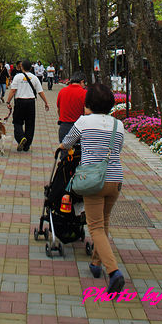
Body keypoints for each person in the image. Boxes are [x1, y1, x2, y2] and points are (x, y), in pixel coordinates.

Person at [58, 82, 126, 295]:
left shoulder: (84, 122)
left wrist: (61, 147)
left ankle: (114, 271)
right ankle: (96, 264)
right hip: (115, 180)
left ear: (88, 104)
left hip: (93, 180)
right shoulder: (118, 125)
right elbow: (118, 149)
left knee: (95, 227)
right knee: (104, 222)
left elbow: (68, 141)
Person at [6, 59, 49, 152]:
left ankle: (21, 138)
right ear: (31, 68)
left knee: (17, 122)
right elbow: (40, 91)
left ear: (22, 67)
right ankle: (27, 145)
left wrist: (8, 101)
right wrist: (46, 102)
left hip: (20, 102)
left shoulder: (17, 77)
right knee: (30, 124)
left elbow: (13, 90)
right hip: (31, 103)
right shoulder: (34, 78)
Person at [56, 70, 87, 142]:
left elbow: (59, 110)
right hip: (78, 127)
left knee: (64, 150)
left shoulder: (62, 91)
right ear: (82, 82)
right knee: (78, 152)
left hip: (64, 127)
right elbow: (86, 112)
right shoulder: (84, 93)